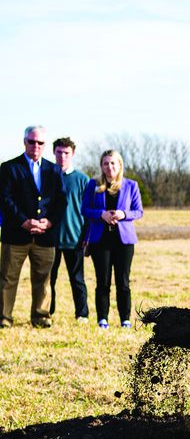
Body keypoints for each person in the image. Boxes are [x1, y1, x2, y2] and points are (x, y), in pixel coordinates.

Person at [0, 126, 65, 328]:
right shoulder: (9, 167)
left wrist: (50, 222)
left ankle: (41, 315)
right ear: (24, 141)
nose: (35, 146)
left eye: (40, 143)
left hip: (45, 236)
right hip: (15, 235)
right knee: (8, 278)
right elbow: (5, 198)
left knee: (44, 279)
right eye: (31, 141)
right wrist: (23, 221)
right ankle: (4, 317)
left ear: (45, 145)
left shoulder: (53, 170)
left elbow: (61, 201)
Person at [81, 150, 143, 328]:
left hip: (124, 241)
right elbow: (84, 209)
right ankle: (102, 319)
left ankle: (125, 319)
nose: (109, 167)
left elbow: (139, 211)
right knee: (103, 282)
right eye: (106, 163)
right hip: (100, 240)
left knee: (123, 282)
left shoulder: (131, 185)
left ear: (120, 165)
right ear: (101, 166)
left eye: (113, 163)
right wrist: (102, 215)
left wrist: (123, 214)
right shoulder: (93, 185)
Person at [49, 137, 90, 322]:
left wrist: (86, 236)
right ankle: (47, 312)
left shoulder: (83, 180)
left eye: (66, 153)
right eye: (59, 152)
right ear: (54, 153)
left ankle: (82, 314)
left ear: (73, 154)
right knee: (48, 279)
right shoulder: (47, 175)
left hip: (75, 238)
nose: (62, 156)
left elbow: (88, 211)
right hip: (49, 239)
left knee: (77, 279)